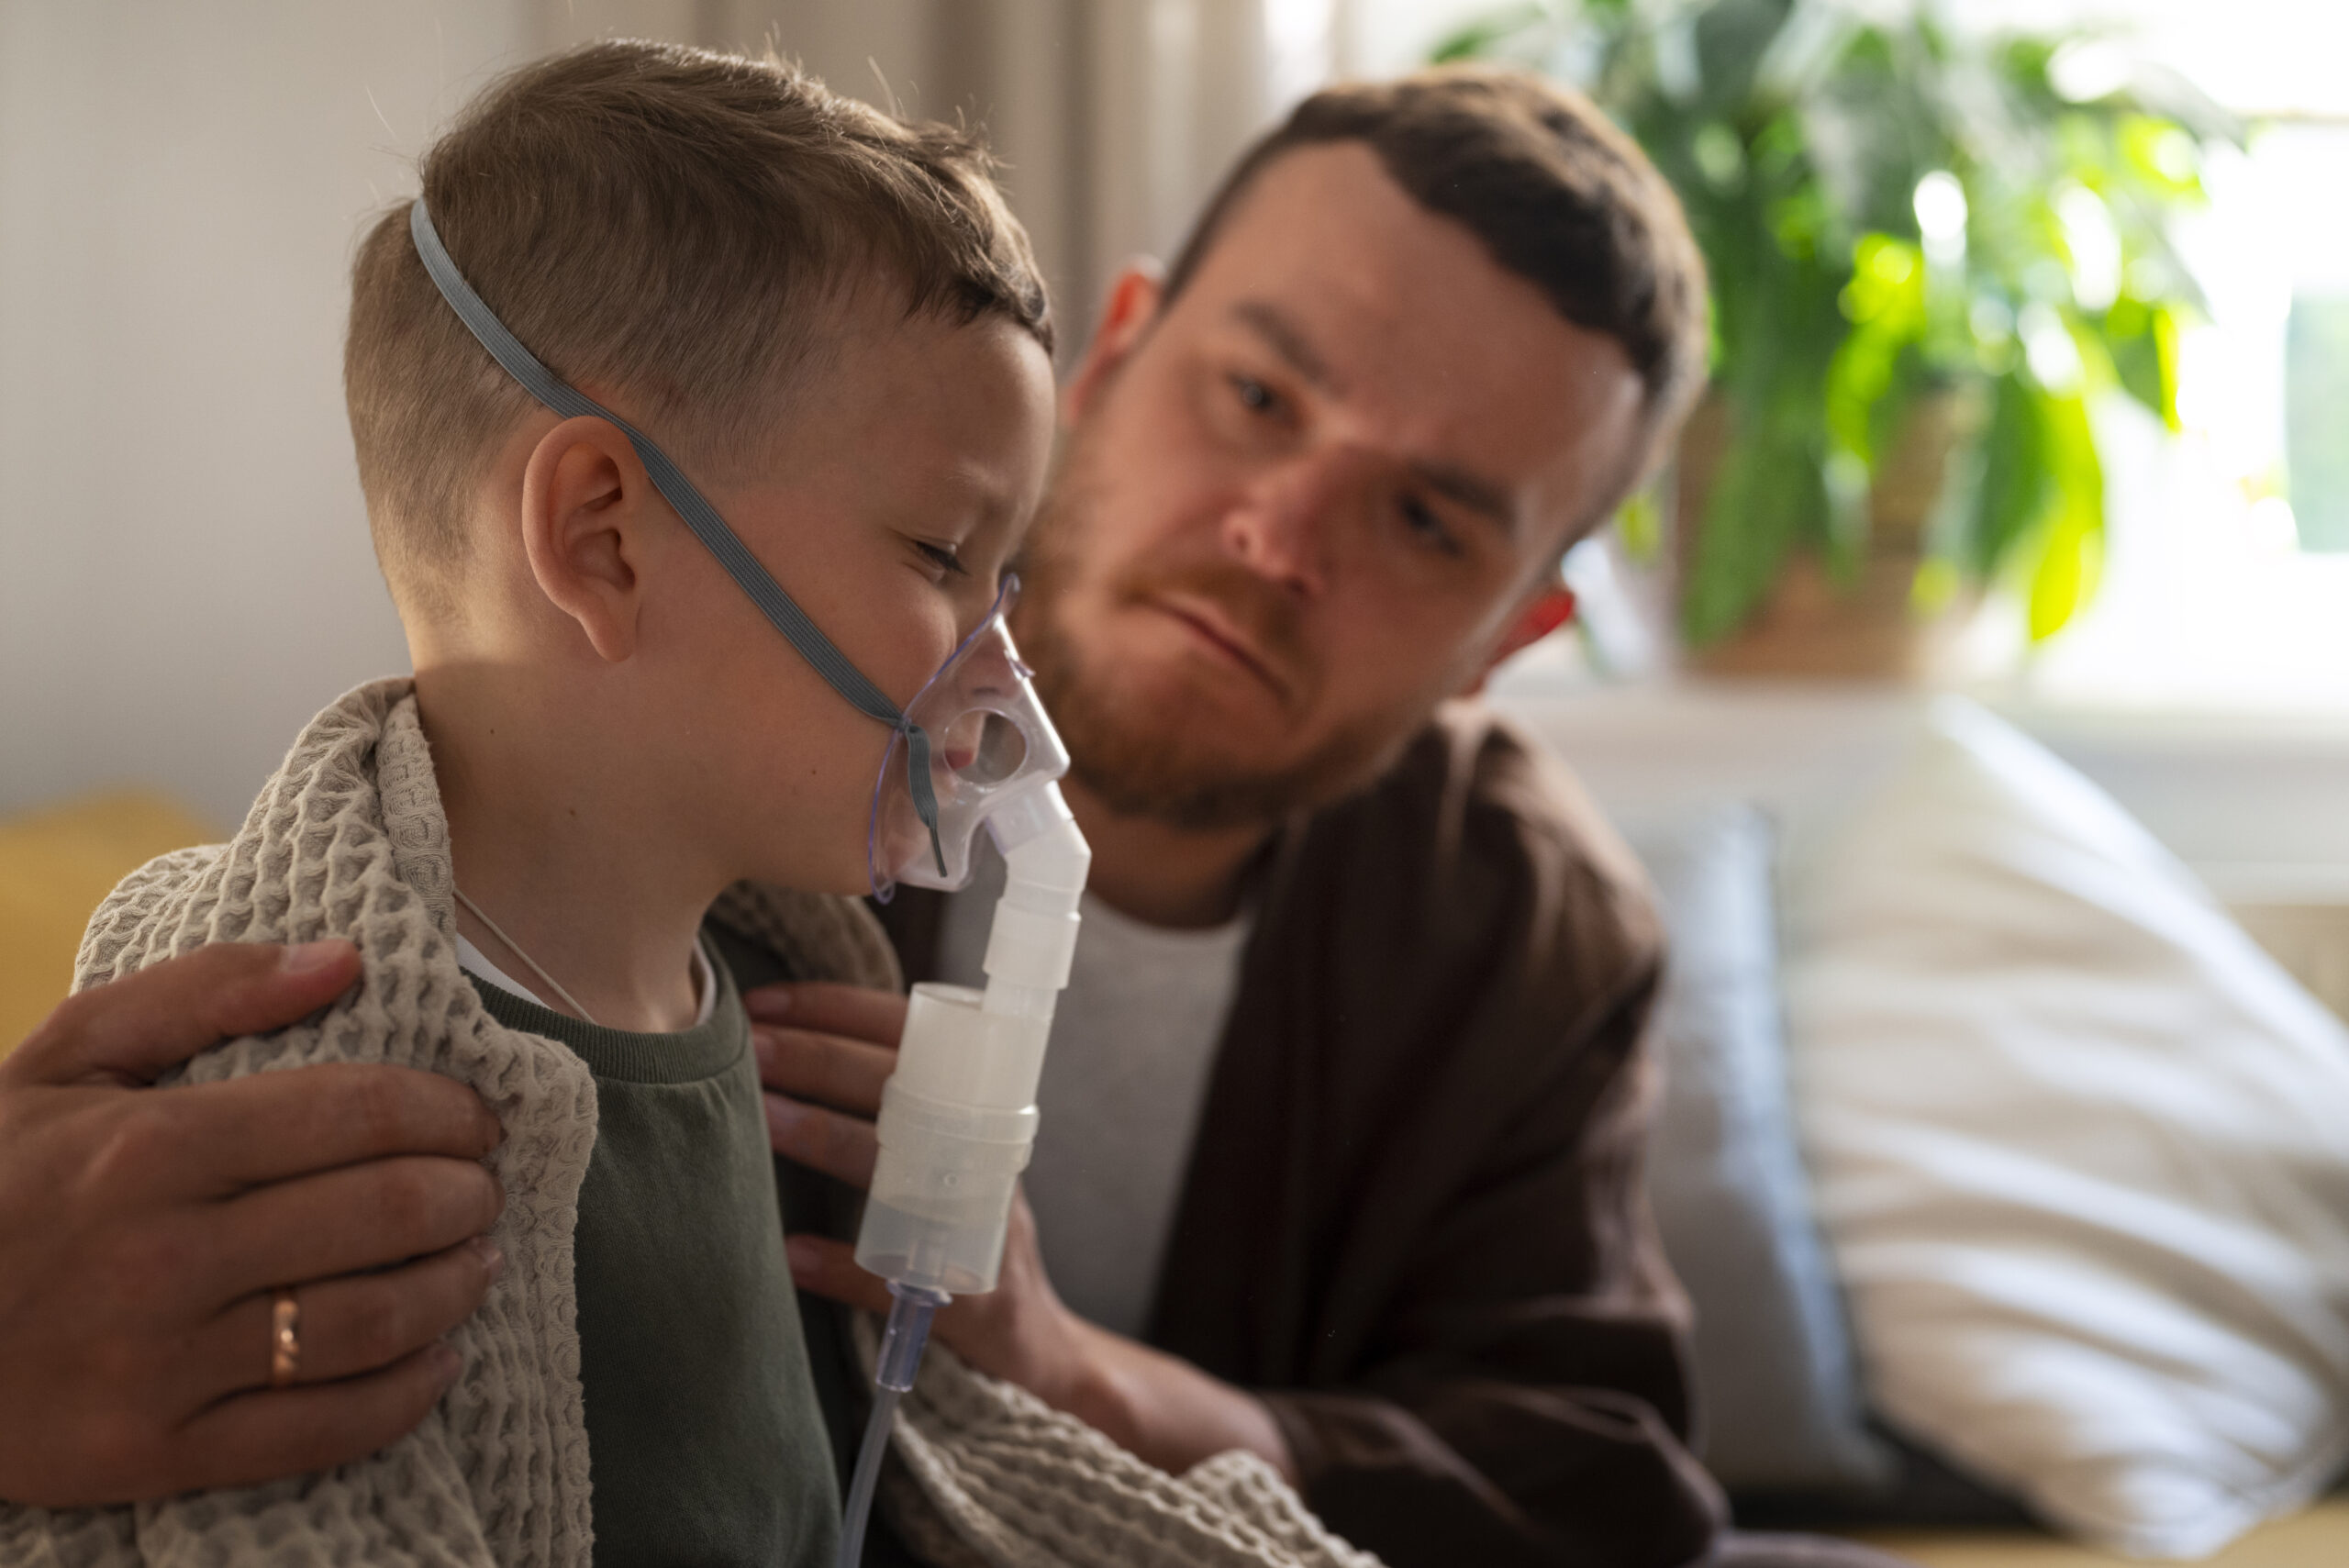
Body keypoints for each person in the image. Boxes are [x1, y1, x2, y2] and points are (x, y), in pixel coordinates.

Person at [3, 57, 1911, 1568]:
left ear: (1523, 627)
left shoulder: (1519, 933)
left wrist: (1078, 1377)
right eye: (1255, 395)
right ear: (1127, 346)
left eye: (1423, 521)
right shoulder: (683, 766)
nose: (1276, 537)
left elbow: (1593, 1482)